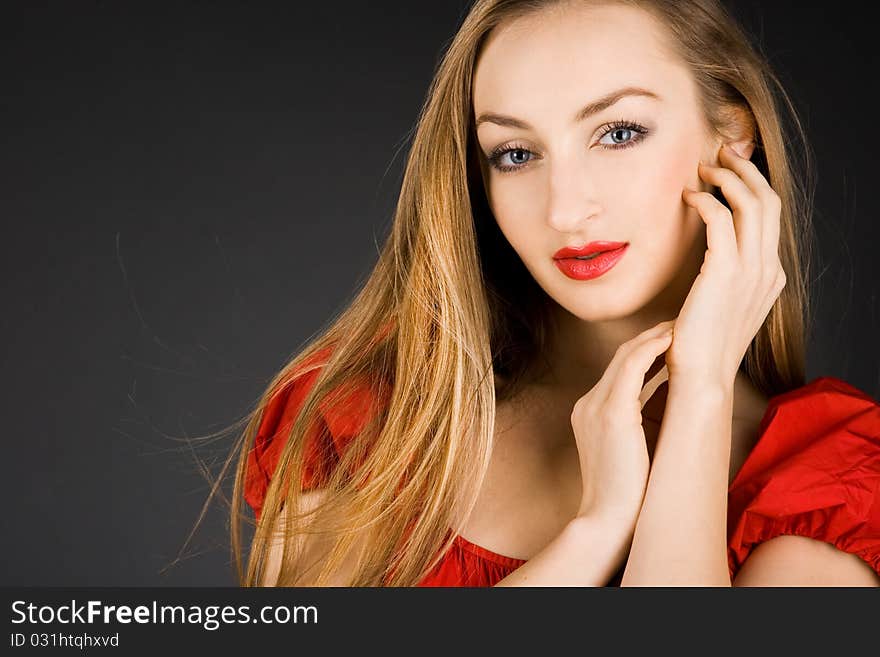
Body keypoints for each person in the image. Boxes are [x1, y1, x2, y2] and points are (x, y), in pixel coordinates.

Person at [231, 0, 880, 586]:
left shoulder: (831, 485)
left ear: (733, 134)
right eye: (515, 153)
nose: (565, 210)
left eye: (619, 133)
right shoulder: (378, 419)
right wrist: (596, 528)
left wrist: (700, 393)